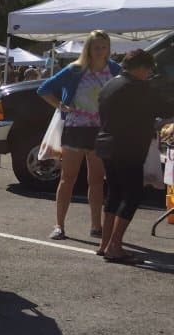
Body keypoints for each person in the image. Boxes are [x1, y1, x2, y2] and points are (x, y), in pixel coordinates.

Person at [36, 29, 120, 241]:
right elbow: (44, 89)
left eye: (104, 47)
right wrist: (61, 106)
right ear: (88, 48)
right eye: (96, 47)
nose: (100, 51)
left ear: (109, 48)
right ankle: (59, 226)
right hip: (75, 129)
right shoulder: (75, 69)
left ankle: (96, 226)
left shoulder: (114, 69)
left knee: (97, 180)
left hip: (101, 131)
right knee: (68, 178)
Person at [95, 50, 174, 263]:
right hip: (127, 146)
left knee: (114, 193)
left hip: (105, 144)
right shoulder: (138, 87)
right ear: (140, 68)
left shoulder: (110, 84)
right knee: (132, 195)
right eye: (148, 70)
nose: (148, 74)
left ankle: (104, 244)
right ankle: (115, 245)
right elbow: (164, 107)